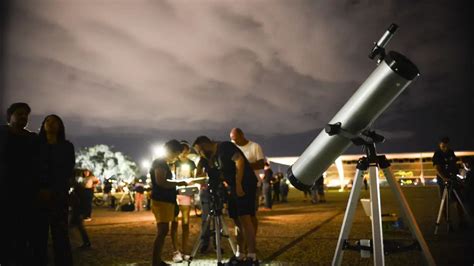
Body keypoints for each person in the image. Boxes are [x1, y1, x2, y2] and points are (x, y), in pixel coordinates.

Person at [193, 136, 259, 265]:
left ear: (205, 145)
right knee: (237, 220)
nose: (199, 153)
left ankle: (252, 256)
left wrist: (239, 183)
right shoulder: (215, 156)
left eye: (199, 150)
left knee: (245, 218)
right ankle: (240, 254)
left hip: (245, 183)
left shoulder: (225, 147)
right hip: (233, 187)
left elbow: (239, 161)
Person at [0, 102, 39, 265]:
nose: (24, 117)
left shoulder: (32, 138)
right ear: (10, 116)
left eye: (26, 115)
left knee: (23, 231)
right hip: (4, 190)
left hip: (25, 192)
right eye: (20, 113)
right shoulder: (1, 133)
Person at [36, 114, 75, 265]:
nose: (51, 124)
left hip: (59, 195)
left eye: (55, 122)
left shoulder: (66, 146)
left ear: (60, 126)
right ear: (43, 125)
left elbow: (67, 170)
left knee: (61, 234)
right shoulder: (36, 145)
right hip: (39, 195)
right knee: (39, 235)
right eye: (48, 121)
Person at [150, 140, 189, 266]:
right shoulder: (160, 163)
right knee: (162, 231)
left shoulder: (163, 163)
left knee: (163, 230)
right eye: (176, 154)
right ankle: (155, 262)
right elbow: (161, 182)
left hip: (165, 200)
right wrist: (178, 183)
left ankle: (157, 261)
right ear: (171, 151)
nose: (176, 157)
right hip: (161, 201)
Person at [432, 137, 466, 228]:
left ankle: (462, 221)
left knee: (459, 200)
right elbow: (437, 169)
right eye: (443, 146)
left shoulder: (451, 152)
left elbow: (454, 164)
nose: (445, 148)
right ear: (440, 145)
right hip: (443, 181)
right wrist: (444, 178)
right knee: (445, 202)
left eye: (446, 146)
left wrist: (456, 175)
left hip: (453, 179)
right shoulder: (437, 154)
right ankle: (448, 223)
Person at [170, 141, 196, 262]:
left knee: (185, 223)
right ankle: (176, 251)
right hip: (175, 193)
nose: (184, 153)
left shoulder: (191, 163)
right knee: (174, 222)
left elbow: (194, 177)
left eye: (186, 150)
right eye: (182, 151)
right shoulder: (174, 163)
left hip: (186, 193)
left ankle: (185, 251)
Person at [69, 177, 91, 249]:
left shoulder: (77, 191)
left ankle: (84, 242)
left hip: (77, 211)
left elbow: (79, 202)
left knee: (77, 227)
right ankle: (85, 242)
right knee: (78, 227)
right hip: (77, 211)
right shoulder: (78, 190)